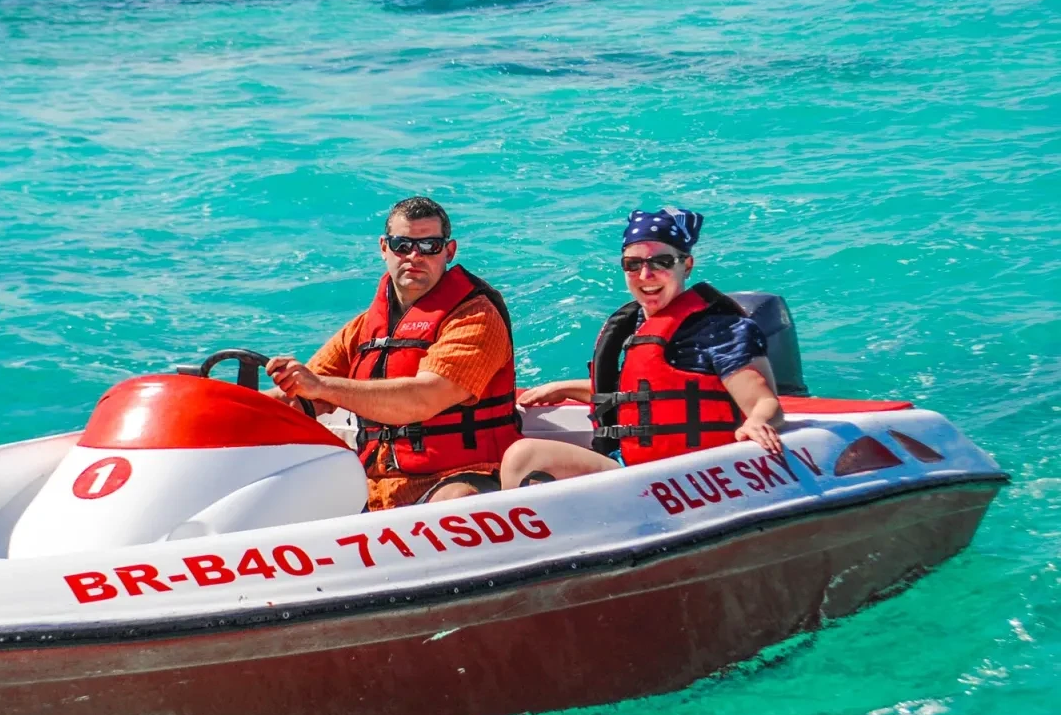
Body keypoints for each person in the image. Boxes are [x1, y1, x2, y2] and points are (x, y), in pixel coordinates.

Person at [499, 207, 784, 489]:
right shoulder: (632, 325)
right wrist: (566, 388)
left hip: (696, 476)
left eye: (661, 262)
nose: (645, 274)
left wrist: (757, 422)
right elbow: (646, 394)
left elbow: (763, 401)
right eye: (633, 264)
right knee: (524, 456)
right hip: (633, 470)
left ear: (686, 265)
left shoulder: (722, 330)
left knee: (522, 456)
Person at [267, 197, 520, 510]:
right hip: (374, 484)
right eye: (403, 245)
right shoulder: (363, 328)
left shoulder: (476, 318)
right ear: (384, 248)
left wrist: (320, 386)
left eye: (429, 245)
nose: (414, 256)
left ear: (449, 252)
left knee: (455, 503)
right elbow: (298, 397)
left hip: (458, 478)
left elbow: (424, 398)